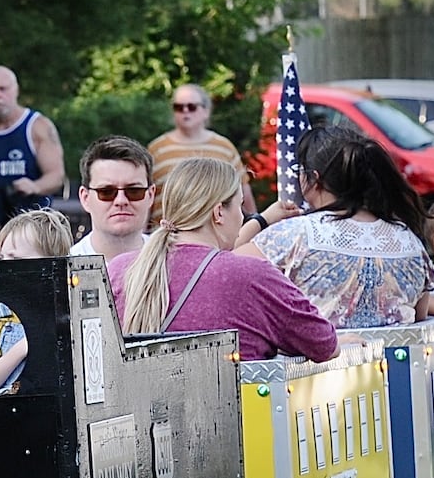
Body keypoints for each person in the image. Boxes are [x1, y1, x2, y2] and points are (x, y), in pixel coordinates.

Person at [238, 125, 434, 327]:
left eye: (300, 171)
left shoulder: (292, 236)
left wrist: (261, 220)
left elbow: (222, 266)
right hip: (396, 379)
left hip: (315, 379)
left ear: (314, 178)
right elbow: (418, 315)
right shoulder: (408, 240)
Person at [106, 157, 338, 362]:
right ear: (218, 213)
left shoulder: (119, 269)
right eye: (239, 206)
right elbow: (324, 344)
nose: (242, 216)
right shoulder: (252, 275)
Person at [0, 210, 73, 396]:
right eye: (2, 258)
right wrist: (25, 346)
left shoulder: (71, 314)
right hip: (11, 417)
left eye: (16, 260)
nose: (5, 267)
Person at [0, 66, 67, 238]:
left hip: (31, 223)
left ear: (15, 89)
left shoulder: (38, 127)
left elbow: (56, 176)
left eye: (2, 89)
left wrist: (34, 186)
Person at [147, 84, 255, 230]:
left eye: (191, 106)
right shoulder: (157, 149)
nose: (185, 111)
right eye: (179, 107)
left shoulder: (224, 148)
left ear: (206, 111)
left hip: (218, 238)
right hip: (165, 238)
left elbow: (244, 195)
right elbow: (145, 198)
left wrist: (253, 228)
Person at [69, 136, 154, 260]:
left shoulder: (174, 264)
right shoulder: (64, 270)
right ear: (85, 198)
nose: (121, 201)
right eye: (106, 192)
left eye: (134, 191)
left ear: (151, 195)